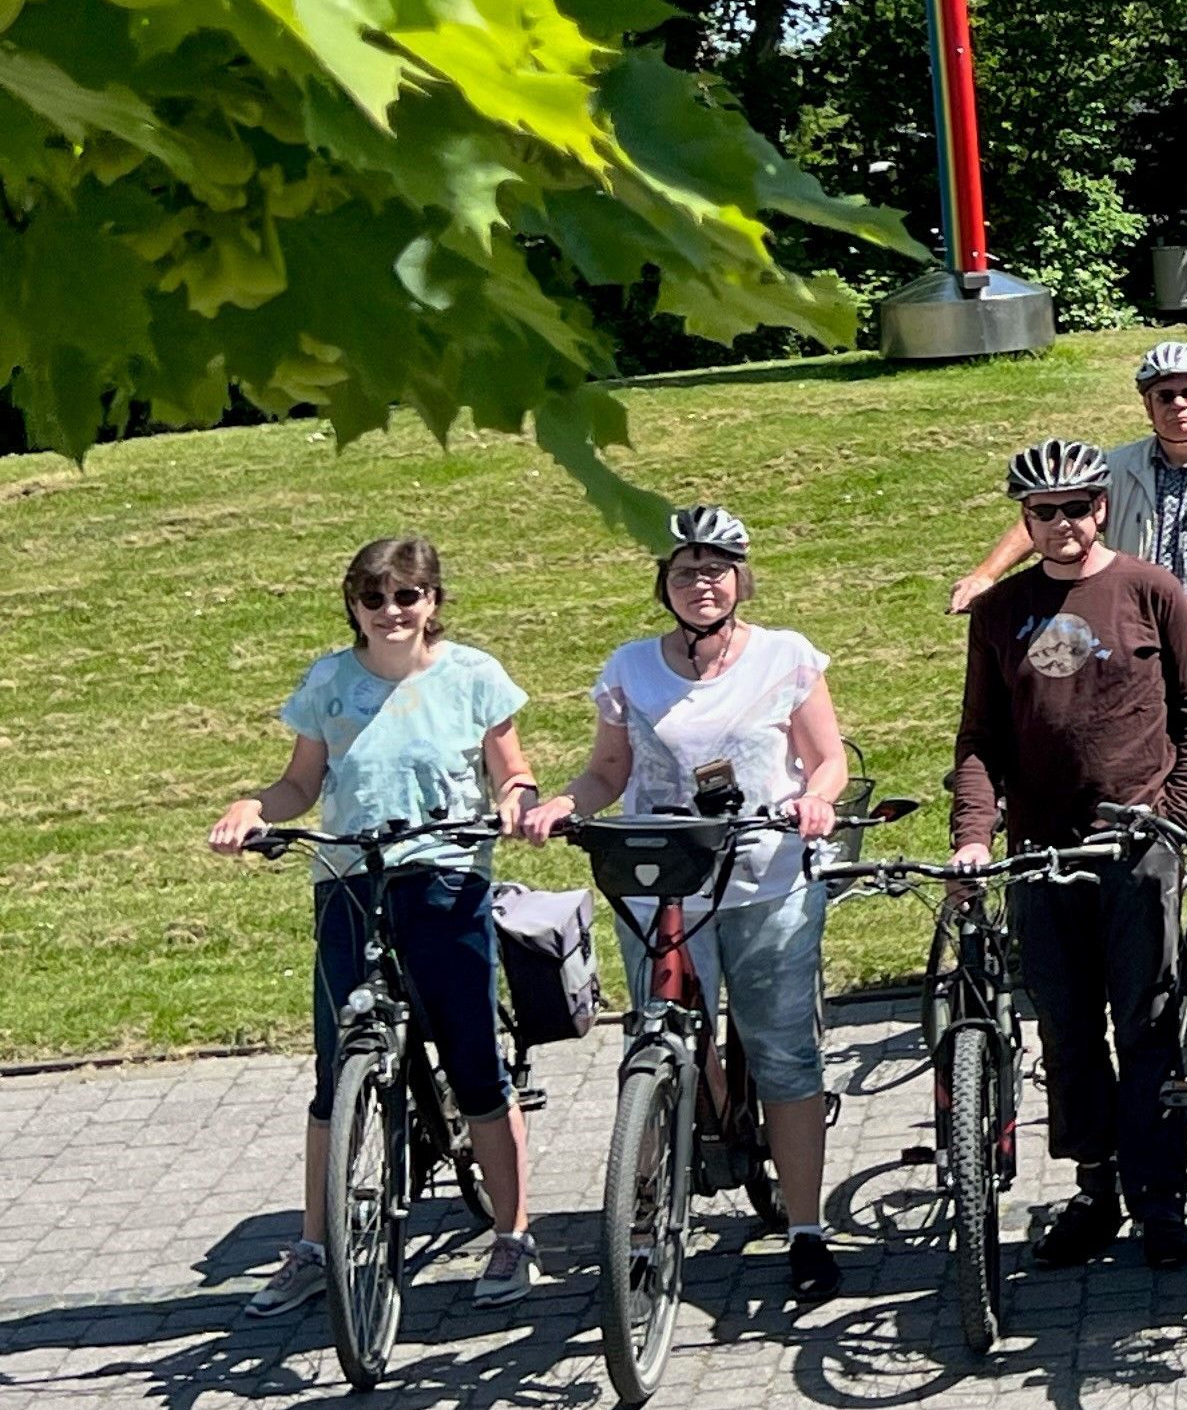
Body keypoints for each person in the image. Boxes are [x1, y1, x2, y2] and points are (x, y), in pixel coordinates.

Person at [518, 508, 853, 1305]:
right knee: (659, 1037)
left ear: (741, 579)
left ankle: (805, 1229)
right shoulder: (632, 667)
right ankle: (642, 1222)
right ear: (664, 586)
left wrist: (816, 802)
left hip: (766, 877)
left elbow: (827, 757)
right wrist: (568, 802)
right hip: (662, 881)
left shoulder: (784, 657)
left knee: (782, 1050)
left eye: (716, 569)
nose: (701, 584)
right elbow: (608, 770)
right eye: (684, 572)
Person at [211, 534, 542, 1317]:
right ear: (353, 607)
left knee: (473, 1064)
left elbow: (513, 770)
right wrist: (253, 808)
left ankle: (513, 1233)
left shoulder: (473, 676)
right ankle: (315, 1246)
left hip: (445, 876)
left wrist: (515, 802)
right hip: (351, 880)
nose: (391, 613)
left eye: (407, 597)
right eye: (374, 599)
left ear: (432, 602)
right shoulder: (330, 682)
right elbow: (300, 782)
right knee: (336, 1067)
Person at [947, 439, 1187, 1267]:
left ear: (1101, 508)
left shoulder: (1149, 588)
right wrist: (973, 838)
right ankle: (1096, 1187)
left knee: (1147, 1024)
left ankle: (1162, 1196)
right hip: (1041, 852)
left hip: (1138, 844)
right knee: (1065, 1030)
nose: (1062, 525)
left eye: (1075, 508)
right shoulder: (1001, 613)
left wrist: (1172, 812)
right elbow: (981, 737)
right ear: (1024, 522)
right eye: (1043, 512)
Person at [949, 341, 1187, 664]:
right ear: (1148, 406)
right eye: (1164, 396)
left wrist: (1186, 636)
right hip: (1135, 637)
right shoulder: (1115, 468)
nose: (1178, 404)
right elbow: (1049, 517)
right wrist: (986, 574)